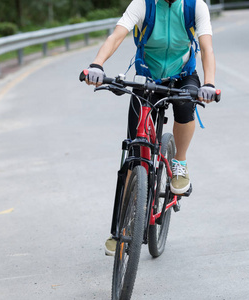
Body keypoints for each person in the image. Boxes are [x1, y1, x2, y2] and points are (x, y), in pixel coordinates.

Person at [85, 0, 217, 255]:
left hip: (182, 75)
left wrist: (209, 83)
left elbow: (207, 47)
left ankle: (179, 161)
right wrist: (97, 64)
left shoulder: (194, 6)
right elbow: (117, 35)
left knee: (185, 104)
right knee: (134, 158)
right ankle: (121, 229)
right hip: (147, 75)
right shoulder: (143, 4)